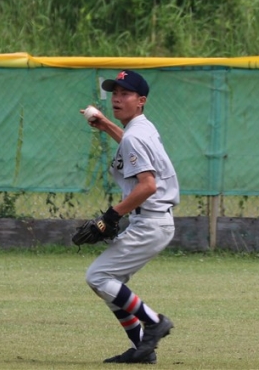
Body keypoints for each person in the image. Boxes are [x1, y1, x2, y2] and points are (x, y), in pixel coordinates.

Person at [80, 69, 180, 364]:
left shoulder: (136, 135)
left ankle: (154, 323)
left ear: (141, 100)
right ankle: (142, 349)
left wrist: (110, 217)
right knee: (108, 285)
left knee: (98, 276)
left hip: (150, 222)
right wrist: (106, 125)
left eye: (125, 94)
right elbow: (130, 144)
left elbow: (148, 185)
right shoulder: (142, 128)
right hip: (153, 221)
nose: (117, 99)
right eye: (115, 93)